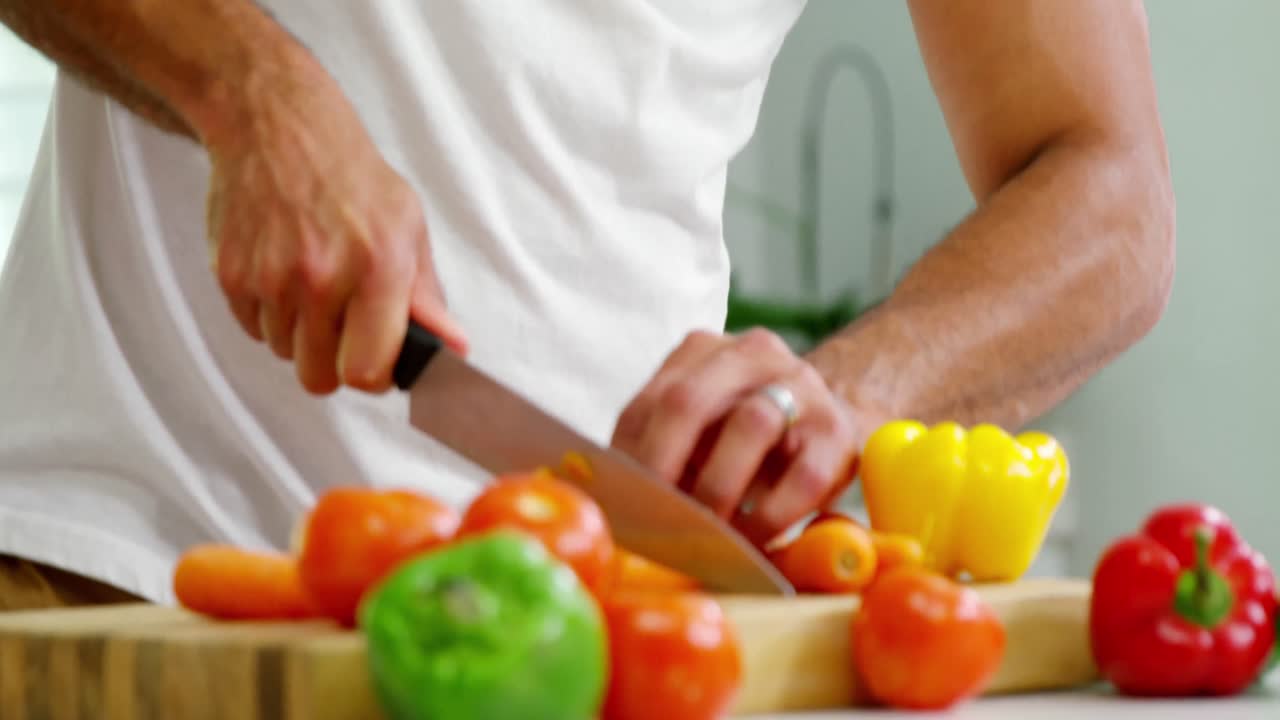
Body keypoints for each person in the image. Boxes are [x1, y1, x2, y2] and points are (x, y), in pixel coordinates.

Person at [0, 1, 1174, 610]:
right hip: (106, 580)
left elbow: (1104, 190)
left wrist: (839, 393)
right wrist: (247, 91)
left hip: (578, 635)